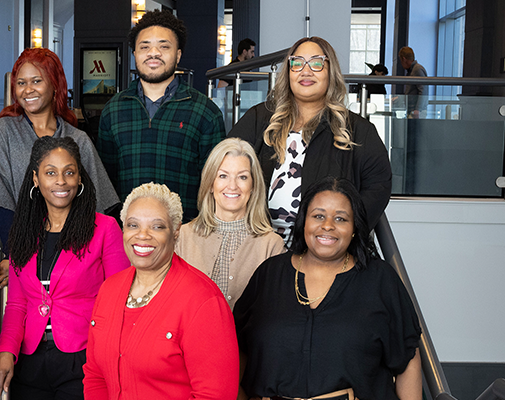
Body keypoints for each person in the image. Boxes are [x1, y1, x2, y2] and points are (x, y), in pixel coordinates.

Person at [234, 177, 422, 400]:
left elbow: (407, 358)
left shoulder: (380, 280)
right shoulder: (269, 274)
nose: (327, 226)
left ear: (354, 228)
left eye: (340, 218)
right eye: (318, 216)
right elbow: (236, 350)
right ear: (304, 221)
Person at [0, 137, 129, 400]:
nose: (61, 181)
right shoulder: (23, 233)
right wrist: (5, 351)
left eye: (69, 172)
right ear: (36, 179)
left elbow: (119, 300)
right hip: (30, 361)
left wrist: (106, 355)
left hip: (84, 358)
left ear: (80, 178)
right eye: (50, 173)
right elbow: (17, 304)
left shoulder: (105, 229)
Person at [82, 183, 238, 400]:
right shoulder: (109, 289)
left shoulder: (203, 301)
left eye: (157, 227)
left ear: (176, 232)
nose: (142, 235)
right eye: (133, 225)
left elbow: (214, 395)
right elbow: (95, 375)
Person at [228, 36, 391, 242]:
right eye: (297, 63)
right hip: (257, 248)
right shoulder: (259, 118)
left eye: (316, 63)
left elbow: (378, 187)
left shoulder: (358, 130)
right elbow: (224, 170)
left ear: (330, 72)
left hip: (325, 252)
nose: (306, 71)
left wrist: (344, 235)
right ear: (288, 72)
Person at [0, 48, 121, 283]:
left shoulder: (77, 139)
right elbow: (0, 199)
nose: (28, 89)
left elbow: (102, 203)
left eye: (37, 81)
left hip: (74, 254)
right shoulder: (2, 133)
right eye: (21, 83)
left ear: (55, 85)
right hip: (23, 250)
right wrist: (14, 255)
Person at [98, 9, 226, 222]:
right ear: (135, 54)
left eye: (164, 46)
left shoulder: (205, 112)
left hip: (185, 232)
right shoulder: (114, 110)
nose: (153, 53)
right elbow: (105, 184)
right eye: (145, 47)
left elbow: (216, 185)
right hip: (128, 233)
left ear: (178, 55)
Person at [175, 138, 284, 310]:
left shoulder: (272, 245)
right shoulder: (181, 237)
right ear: (210, 184)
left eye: (242, 177)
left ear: (253, 186)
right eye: (223, 176)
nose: (232, 186)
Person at [398, 46, 428, 117]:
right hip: (413, 111)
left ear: (404, 59)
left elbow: (423, 90)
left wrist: (418, 109)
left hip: (416, 112)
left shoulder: (417, 70)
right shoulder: (413, 70)